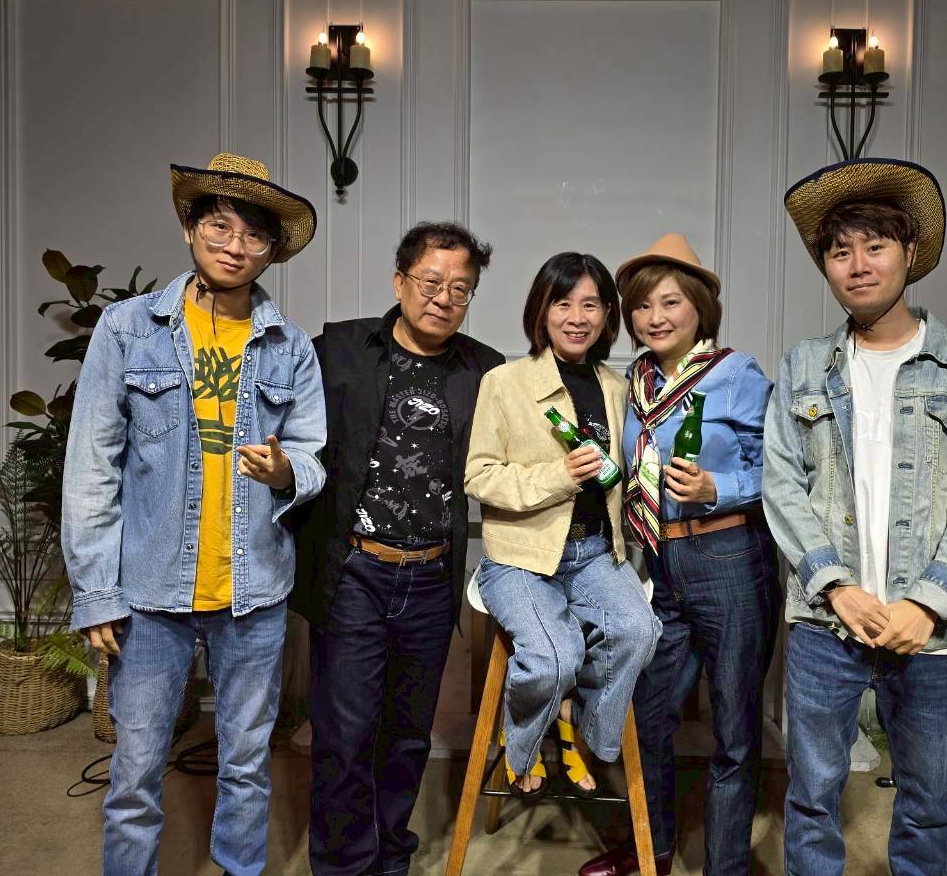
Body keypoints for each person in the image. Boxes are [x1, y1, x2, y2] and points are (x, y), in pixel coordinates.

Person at [62, 152, 327, 876]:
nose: (235, 246)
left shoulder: (290, 347)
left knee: (247, 767)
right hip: (150, 594)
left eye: (254, 235)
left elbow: (312, 454)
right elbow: (90, 468)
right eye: (219, 227)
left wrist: (286, 471)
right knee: (134, 775)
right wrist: (96, 594)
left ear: (272, 251)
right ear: (189, 228)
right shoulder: (127, 329)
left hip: (254, 593)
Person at [766, 158, 947, 876]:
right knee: (811, 796)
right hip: (827, 622)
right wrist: (837, 587)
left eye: (875, 246)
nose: (858, 265)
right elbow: (782, 485)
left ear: (909, 251)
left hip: (930, 629)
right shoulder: (805, 365)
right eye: (840, 252)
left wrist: (927, 603)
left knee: (927, 799)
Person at [292, 221, 503, 876]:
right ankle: (343, 867)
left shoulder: (487, 370)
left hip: (431, 577)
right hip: (355, 570)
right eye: (431, 281)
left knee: (408, 736)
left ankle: (390, 859)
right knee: (344, 737)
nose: (444, 298)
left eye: (460, 289)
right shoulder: (338, 349)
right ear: (399, 281)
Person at [579, 232, 779, 876]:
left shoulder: (735, 374)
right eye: (642, 306)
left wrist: (720, 489)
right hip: (658, 564)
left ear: (699, 307)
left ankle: (726, 865)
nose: (655, 317)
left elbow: (785, 472)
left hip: (730, 559)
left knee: (734, 730)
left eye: (670, 302)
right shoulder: (631, 383)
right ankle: (652, 848)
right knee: (648, 714)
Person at [464, 251, 662, 798]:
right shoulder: (504, 382)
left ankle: (583, 730)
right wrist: (558, 476)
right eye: (563, 303)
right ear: (541, 310)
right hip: (519, 558)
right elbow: (479, 476)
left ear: (607, 316)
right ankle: (524, 747)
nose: (577, 317)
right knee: (555, 658)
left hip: (596, 552)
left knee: (639, 631)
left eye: (591, 305)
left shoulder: (618, 387)